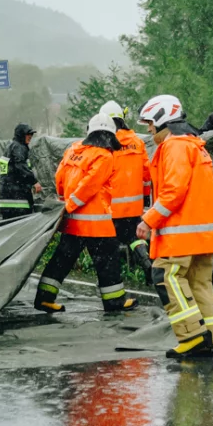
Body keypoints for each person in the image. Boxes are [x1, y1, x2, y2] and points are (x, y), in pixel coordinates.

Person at [137, 95, 213, 359]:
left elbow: (173, 191)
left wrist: (148, 220)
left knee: (165, 276)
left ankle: (191, 336)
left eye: (151, 123)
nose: (149, 129)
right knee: (199, 283)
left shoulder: (174, 146)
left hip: (181, 235)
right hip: (203, 235)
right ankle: (209, 337)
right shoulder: (195, 145)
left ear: (163, 119)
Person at [34, 113, 140, 313]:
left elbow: (59, 177)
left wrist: (65, 203)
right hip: (96, 223)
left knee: (62, 259)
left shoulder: (73, 149)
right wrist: (72, 204)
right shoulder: (104, 156)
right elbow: (90, 185)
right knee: (108, 261)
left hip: (72, 222)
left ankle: (44, 298)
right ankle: (114, 301)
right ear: (109, 135)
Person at [99, 100, 154, 285]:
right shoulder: (137, 142)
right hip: (134, 205)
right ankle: (147, 264)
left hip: (112, 206)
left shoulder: (106, 143)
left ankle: (113, 281)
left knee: (110, 244)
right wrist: (145, 197)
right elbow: (147, 173)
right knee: (133, 237)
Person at [0, 123, 42, 219]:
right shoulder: (19, 147)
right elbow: (21, 166)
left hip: (5, 195)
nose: (30, 137)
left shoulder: (9, 147)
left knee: (8, 226)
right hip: (17, 196)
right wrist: (34, 182)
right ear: (21, 135)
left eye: (31, 134)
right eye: (28, 134)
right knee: (22, 226)